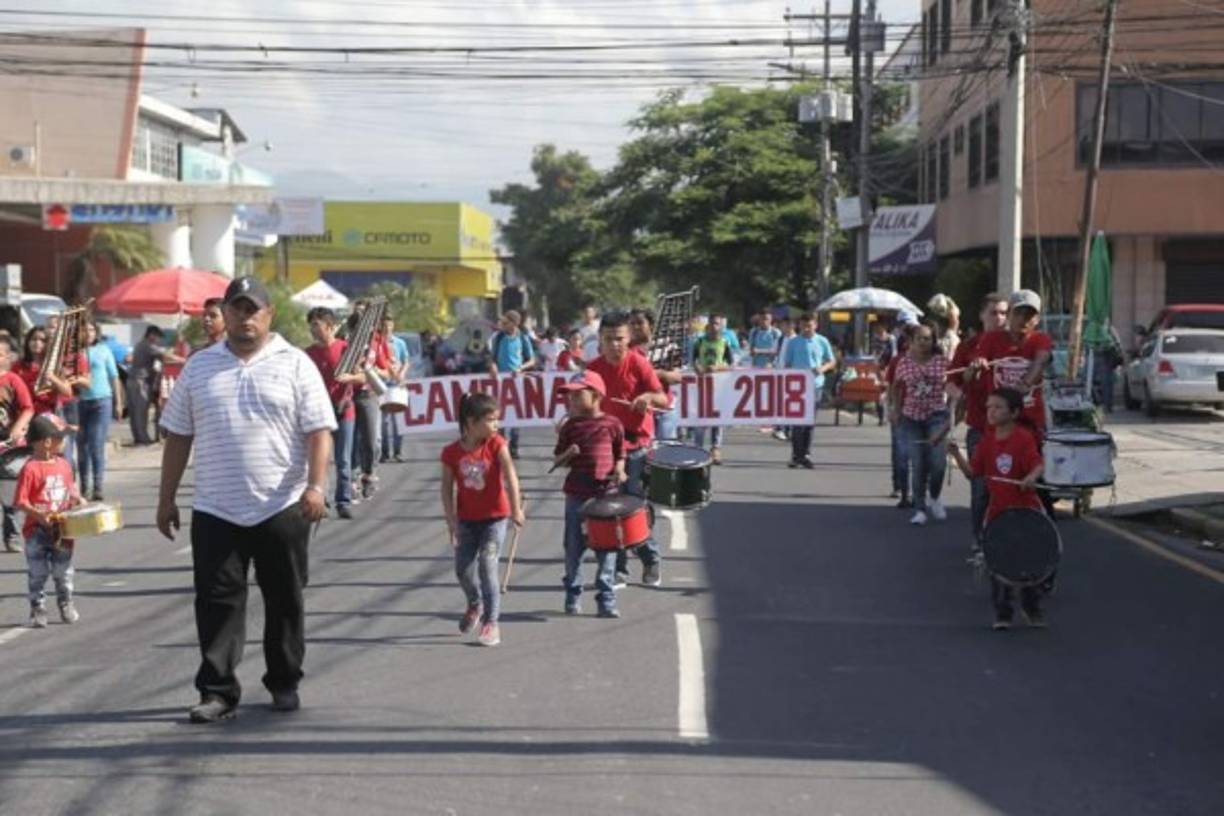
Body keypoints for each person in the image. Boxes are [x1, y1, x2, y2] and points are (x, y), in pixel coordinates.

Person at [156, 276, 335, 724]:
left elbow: (319, 431)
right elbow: (178, 435)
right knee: (217, 604)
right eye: (237, 307)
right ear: (226, 313)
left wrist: (316, 487)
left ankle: (284, 680)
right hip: (217, 508)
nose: (245, 316)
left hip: (282, 506)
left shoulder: (295, 364)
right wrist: (166, 499)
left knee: (285, 598)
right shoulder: (199, 367)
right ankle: (217, 691)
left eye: (253, 308)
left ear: (269, 314)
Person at [948, 388, 1047, 629]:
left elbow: (1038, 464)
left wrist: (1031, 477)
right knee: (998, 564)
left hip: (1026, 512)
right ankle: (1003, 613)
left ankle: (1031, 607)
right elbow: (973, 473)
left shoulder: (1023, 438)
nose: (991, 412)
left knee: (1029, 563)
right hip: (998, 513)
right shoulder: (987, 441)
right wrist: (957, 455)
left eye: (998, 407)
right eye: (989, 407)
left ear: (1014, 412)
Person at [585, 311, 668, 588]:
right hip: (605, 449)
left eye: (620, 339)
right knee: (609, 508)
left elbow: (663, 399)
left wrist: (646, 397)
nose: (615, 345)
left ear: (629, 338)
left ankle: (650, 558)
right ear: (600, 339)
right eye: (609, 339)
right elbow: (583, 406)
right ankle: (619, 568)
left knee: (634, 506)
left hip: (637, 447)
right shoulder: (593, 369)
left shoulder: (640, 364)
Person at [440, 392, 525, 647]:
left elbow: (510, 476)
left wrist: (517, 508)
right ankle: (474, 603)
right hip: (467, 520)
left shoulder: (497, 444)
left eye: (497, 420)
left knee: (488, 564)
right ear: (471, 422)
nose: (495, 425)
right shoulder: (451, 453)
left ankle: (491, 622)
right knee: (463, 570)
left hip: (495, 518)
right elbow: (446, 489)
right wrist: (451, 520)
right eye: (490, 420)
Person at [554, 370, 626, 617]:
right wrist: (567, 454)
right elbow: (558, 461)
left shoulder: (613, 424)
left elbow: (620, 455)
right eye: (569, 395)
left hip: (605, 495)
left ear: (596, 395)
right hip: (576, 494)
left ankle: (606, 598)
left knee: (607, 547)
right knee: (573, 547)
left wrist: (620, 470)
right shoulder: (570, 426)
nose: (571, 399)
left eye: (577, 394)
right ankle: (573, 594)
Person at [948, 293, 1010, 551]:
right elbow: (950, 382)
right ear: (983, 316)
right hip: (980, 429)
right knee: (981, 488)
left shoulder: (1013, 346)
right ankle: (978, 538)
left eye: (1004, 313)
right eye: (994, 313)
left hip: (1012, 430)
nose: (1000, 318)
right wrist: (963, 391)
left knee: (1010, 489)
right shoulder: (968, 346)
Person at [14, 413, 82, 628]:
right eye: (60, 438)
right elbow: (20, 501)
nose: (64, 442)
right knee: (38, 572)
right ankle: (37, 607)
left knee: (64, 571)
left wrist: (78, 499)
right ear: (46, 442)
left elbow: (71, 490)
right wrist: (38, 515)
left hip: (63, 529)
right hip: (36, 531)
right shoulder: (30, 469)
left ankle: (66, 602)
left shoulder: (64, 465)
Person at [305, 307, 365, 520]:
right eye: (311, 325)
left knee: (343, 459)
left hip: (344, 409)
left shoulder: (346, 349)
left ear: (329, 326)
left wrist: (347, 379)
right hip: (319, 412)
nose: (313, 329)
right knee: (321, 458)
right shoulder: (307, 354)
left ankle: (343, 501)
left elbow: (363, 378)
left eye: (316, 325)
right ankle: (324, 500)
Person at [889, 320, 951, 526]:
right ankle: (919, 509)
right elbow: (896, 387)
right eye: (919, 339)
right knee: (918, 463)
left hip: (936, 415)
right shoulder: (903, 363)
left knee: (938, 463)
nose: (923, 342)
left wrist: (950, 410)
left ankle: (935, 496)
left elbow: (953, 386)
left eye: (927, 339)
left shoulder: (942, 362)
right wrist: (896, 410)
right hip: (911, 418)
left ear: (933, 341)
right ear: (911, 341)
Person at [972, 289, 1054, 437]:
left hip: (1030, 421)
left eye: (1029, 315)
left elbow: (1040, 362)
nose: (1022, 319)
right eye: (1018, 313)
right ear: (1009, 315)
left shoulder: (1041, 339)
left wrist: (1023, 386)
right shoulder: (991, 338)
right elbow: (977, 363)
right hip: (998, 421)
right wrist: (978, 363)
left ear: (1037, 319)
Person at [13, 326, 91, 465]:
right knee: (28, 458)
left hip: (48, 416)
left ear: (48, 344)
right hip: (24, 418)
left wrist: (53, 377)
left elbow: (67, 391)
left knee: (58, 455)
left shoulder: (54, 366)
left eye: (42, 340)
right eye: (33, 339)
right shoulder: (18, 366)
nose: (37, 343)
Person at [345, 305, 392, 500]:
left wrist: (371, 370)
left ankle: (369, 475)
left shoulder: (377, 342)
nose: (370, 329)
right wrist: (353, 370)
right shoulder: (345, 343)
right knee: (350, 442)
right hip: (348, 396)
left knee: (372, 440)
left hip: (368, 395)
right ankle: (352, 480)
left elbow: (386, 371)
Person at [781, 313, 836, 469]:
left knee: (809, 422)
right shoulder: (793, 342)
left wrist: (822, 368)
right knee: (797, 422)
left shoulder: (822, 341)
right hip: (796, 388)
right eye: (803, 325)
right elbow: (787, 364)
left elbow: (831, 361)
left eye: (809, 325)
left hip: (816, 385)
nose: (806, 328)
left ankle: (805, 454)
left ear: (815, 325)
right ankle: (796, 455)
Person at [76, 321, 123, 502]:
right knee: (82, 446)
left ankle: (97, 486)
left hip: (101, 401)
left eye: (91, 329)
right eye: (84, 330)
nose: (88, 333)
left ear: (96, 332)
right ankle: (83, 486)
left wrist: (119, 403)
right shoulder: (75, 352)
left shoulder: (103, 350)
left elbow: (114, 376)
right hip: (80, 402)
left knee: (96, 444)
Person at [0, 333, 35, 553]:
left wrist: (16, 428)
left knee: (8, 493)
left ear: (7, 357)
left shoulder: (13, 380)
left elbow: (28, 408)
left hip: (9, 446)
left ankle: (11, 535)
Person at [489, 310, 535, 459]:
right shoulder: (499, 337)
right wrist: (493, 366)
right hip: (500, 381)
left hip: (517, 381)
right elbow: (491, 357)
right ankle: (500, 444)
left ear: (515, 323)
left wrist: (521, 368)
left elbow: (532, 360)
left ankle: (514, 446)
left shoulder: (523, 338)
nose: (503, 325)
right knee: (499, 413)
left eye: (506, 322)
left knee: (515, 413)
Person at [628, 308, 680, 442]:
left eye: (640, 323)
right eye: (632, 323)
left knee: (665, 455)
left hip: (665, 410)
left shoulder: (668, 345)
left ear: (651, 325)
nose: (635, 327)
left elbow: (678, 377)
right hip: (638, 412)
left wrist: (656, 374)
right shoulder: (624, 349)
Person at [127, 326, 182, 445]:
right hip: (140, 381)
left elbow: (163, 359)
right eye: (157, 337)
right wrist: (183, 360)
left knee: (135, 411)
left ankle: (138, 437)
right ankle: (143, 439)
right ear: (151, 335)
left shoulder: (140, 344)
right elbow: (166, 356)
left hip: (134, 379)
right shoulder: (148, 345)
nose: (158, 340)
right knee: (141, 411)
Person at [690, 317, 734, 464]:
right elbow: (693, 360)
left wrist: (718, 368)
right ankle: (698, 449)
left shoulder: (724, 343)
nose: (715, 327)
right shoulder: (700, 342)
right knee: (700, 417)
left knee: (717, 419)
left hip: (719, 386)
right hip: (702, 385)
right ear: (707, 326)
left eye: (717, 324)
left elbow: (732, 364)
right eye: (712, 324)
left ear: (721, 326)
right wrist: (698, 369)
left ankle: (716, 449)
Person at [380, 314, 409, 464]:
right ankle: (385, 452)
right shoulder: (378, 344)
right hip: (383, 385)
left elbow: (406, 361)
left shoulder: (400, 343)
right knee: (384, 422)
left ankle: (398, 451)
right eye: (384, 326)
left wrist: (402, 374)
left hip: (397, 384)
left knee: (398, 421)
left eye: (389, 326)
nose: (387, 329)